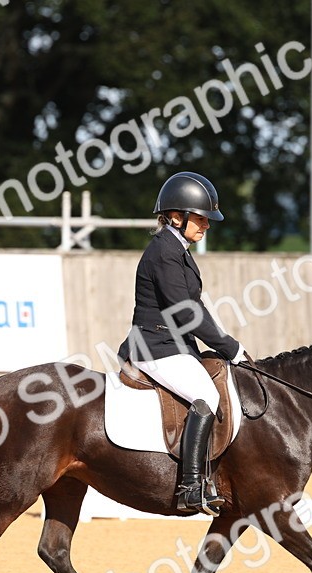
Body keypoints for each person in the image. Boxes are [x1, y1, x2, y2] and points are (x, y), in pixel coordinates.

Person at [116, 171, 247, 516]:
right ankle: (191, 486)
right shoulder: (163, 252)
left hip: (175, 345)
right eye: (201, 219)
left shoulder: (179, 250)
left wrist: (225, 344)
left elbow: (197, 306)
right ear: (177, 216)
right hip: (154, 347)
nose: (206, 226)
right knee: (207, 396)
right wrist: (230, 347)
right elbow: (184, 311)